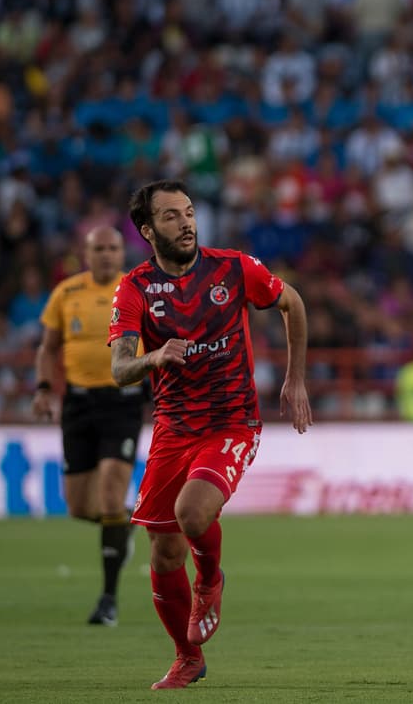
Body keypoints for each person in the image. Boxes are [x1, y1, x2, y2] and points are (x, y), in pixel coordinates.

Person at [107, 179, 313, 689]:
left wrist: (295, 378)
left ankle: (211, 579)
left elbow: (294, 304)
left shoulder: (233, 268)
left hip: (231, 421)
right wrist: (155, 356)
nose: (186, 223)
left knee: (191, 513)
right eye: (172, 216)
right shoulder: (134, 288)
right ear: (147, 229)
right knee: (163, 551)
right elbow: (119, 369)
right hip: (173, 429)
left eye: (190, 212)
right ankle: (187, 657)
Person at [33, 226, 141, 627]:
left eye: (114, 248)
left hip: (123, 402)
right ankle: (123, 527)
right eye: (100, 249)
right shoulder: (67, 294)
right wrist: (45, 388)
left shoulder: (134, 290)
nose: (108, 255)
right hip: (78, 404)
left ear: (120, 252)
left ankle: (108, 600)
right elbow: (48, 348)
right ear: (86, 253)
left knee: (112, 494)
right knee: (80, 507)